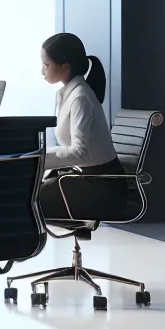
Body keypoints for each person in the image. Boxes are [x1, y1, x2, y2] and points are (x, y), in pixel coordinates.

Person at [37, 32, 125, 221]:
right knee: (25, 192)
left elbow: (81, 153)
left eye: (46, 65)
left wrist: (39, 159)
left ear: (65, 66)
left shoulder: (80, 98)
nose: (42, 71)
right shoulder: (66, 94)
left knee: (27, 199)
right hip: (84, 179)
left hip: (102, 188)